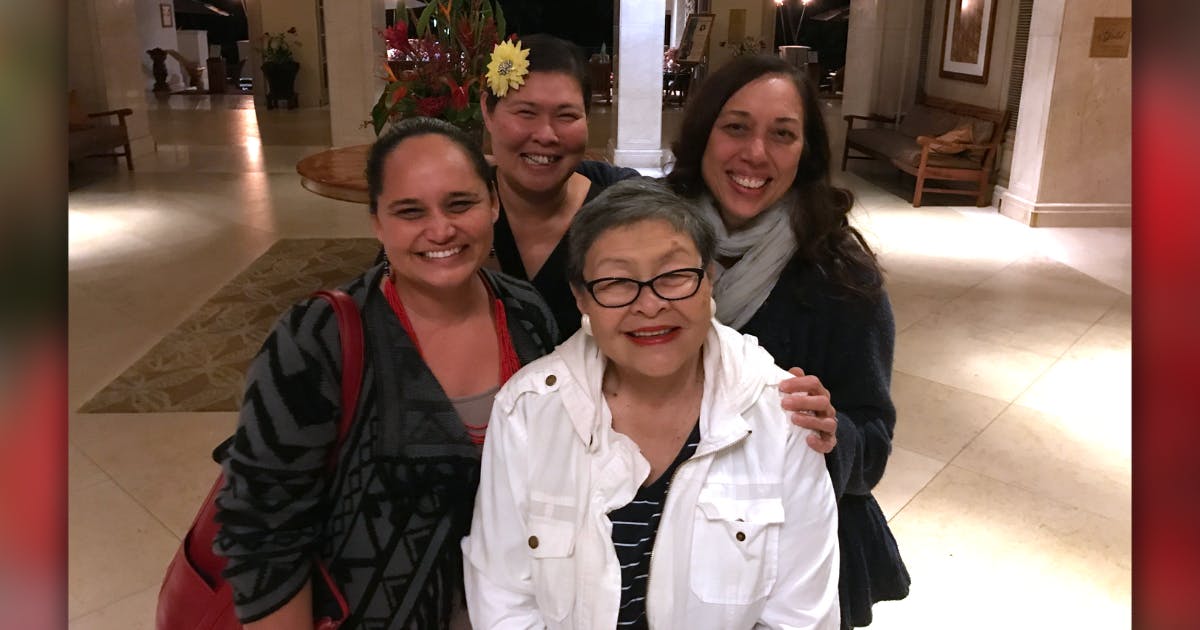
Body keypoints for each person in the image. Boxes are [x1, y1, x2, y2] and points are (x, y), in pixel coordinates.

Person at [213, 117, 559, 629]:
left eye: (460, 203)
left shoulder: (527, 314)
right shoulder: (319, 338)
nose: (440, 230)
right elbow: (263, 529)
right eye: (409, 211)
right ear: (377, 222)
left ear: (494, 203)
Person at [463, 178, 841, 629]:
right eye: (617, 282)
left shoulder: (782, 414)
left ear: (710, 278)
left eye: (675, 274)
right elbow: (503, 599)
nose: (650, 305)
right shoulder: (527, 410)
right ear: (581, 296)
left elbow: (802, 616)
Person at [665, 54, 910, 628]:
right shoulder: (655, 240)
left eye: (782, 134)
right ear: (704, 136)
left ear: (805, 154)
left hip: (792, 547)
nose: (755, 153)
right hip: (670, 529)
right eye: (736, 127)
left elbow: (872, 442)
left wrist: (834, 435)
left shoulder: (840, 276)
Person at [482, 33, 640, 338]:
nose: (546, 134)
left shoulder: (617, 216)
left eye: (566, 115)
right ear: (488, 111)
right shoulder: (452, 211)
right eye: (526, 113)